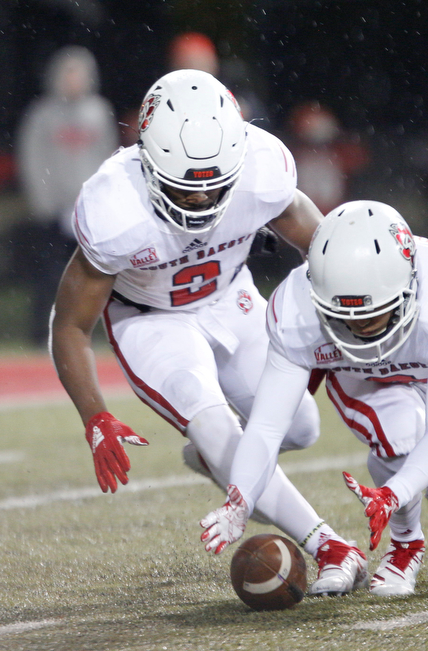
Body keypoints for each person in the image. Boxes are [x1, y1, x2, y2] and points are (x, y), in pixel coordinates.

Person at [50, 69, 370, 597]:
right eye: (185, 186)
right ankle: (332, 546)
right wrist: (95, 416)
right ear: (148, 161)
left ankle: (212, 460)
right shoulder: (115, 203)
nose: (200, 199)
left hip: (231, 298)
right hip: (152, 319)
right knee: (219, 428)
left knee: (299, 429)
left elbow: (326, 246)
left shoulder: (262, 169)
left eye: (215, 183)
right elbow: (70, 325)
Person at [200, 200, 428, 597]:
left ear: (409, 286)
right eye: (344, 317)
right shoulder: (295, 309)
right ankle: (407, 545)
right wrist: (240, 498)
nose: (358, 330)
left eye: (371, 316)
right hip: (361, 378)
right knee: (398, 430)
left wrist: (394, 492)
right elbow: (268, 426)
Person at [15, 45, 119, 346]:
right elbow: (32, 159)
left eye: (79, 73)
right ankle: (40, 333)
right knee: (49, 276)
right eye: (68, 73)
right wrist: (45, 202)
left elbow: (109, 159)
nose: (74, 80)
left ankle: (83, 334)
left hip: (87, 211)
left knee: (90, 277)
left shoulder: (99, 112)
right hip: (53, 211)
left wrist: (100, 202)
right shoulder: (42, 114)